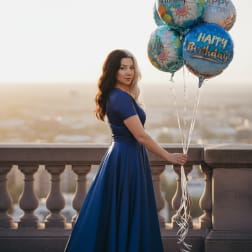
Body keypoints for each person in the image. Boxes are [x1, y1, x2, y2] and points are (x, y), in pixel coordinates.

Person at [64, 49, 187, 252]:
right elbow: (141, 136)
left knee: (120, 212)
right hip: (126, 158)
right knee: (127, 211)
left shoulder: (119, 95)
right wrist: (169, 157)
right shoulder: (120, 98)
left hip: (124, 155)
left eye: (131, 67)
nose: (128, 72)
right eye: (122, 68)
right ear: (113, 71)